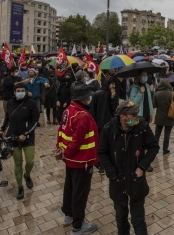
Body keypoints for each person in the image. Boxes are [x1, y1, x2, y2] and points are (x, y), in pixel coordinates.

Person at [98, 100, 160, 235]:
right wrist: (111, 173)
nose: (137, 116)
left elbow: (154, 146)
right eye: (133, 114)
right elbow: (102, 152)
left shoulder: (141, 127)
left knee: (138, 220)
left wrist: (142, 166)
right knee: (121, 218)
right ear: (123, 117)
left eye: (137, 113)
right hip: (118, 182)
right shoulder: (108, 129)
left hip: (136, 182)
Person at [55, 83, 99, 235]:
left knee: (70, 188)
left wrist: (60, 149)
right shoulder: (82, 116)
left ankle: (68, 214)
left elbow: (61, 131)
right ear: (85, 98)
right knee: (79, 193)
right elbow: (76, 141)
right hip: (82, 160)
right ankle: (78, 226)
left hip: (71, 160)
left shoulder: (69, 110)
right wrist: (66, 152)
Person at [0, 83, 39, 199]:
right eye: (18, 90)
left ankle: (27, 175)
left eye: (22, 90)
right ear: (14, 92)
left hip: (28, 137)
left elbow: (35, 121)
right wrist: (2, 129)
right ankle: (20, 187)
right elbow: (7, 118)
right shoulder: (10, 103)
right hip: (13, 137)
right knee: (18, 163)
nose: (20, 92)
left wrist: (25, 134)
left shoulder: (31, 103)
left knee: (30, 161)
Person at [152, 78, 174, 155]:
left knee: (157, 134)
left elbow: (154, 105)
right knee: (167, 134)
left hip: (159, 117)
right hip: (169, 117)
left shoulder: (157, 94)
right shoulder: (172, 94)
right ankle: (165, 149)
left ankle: (155, 148)